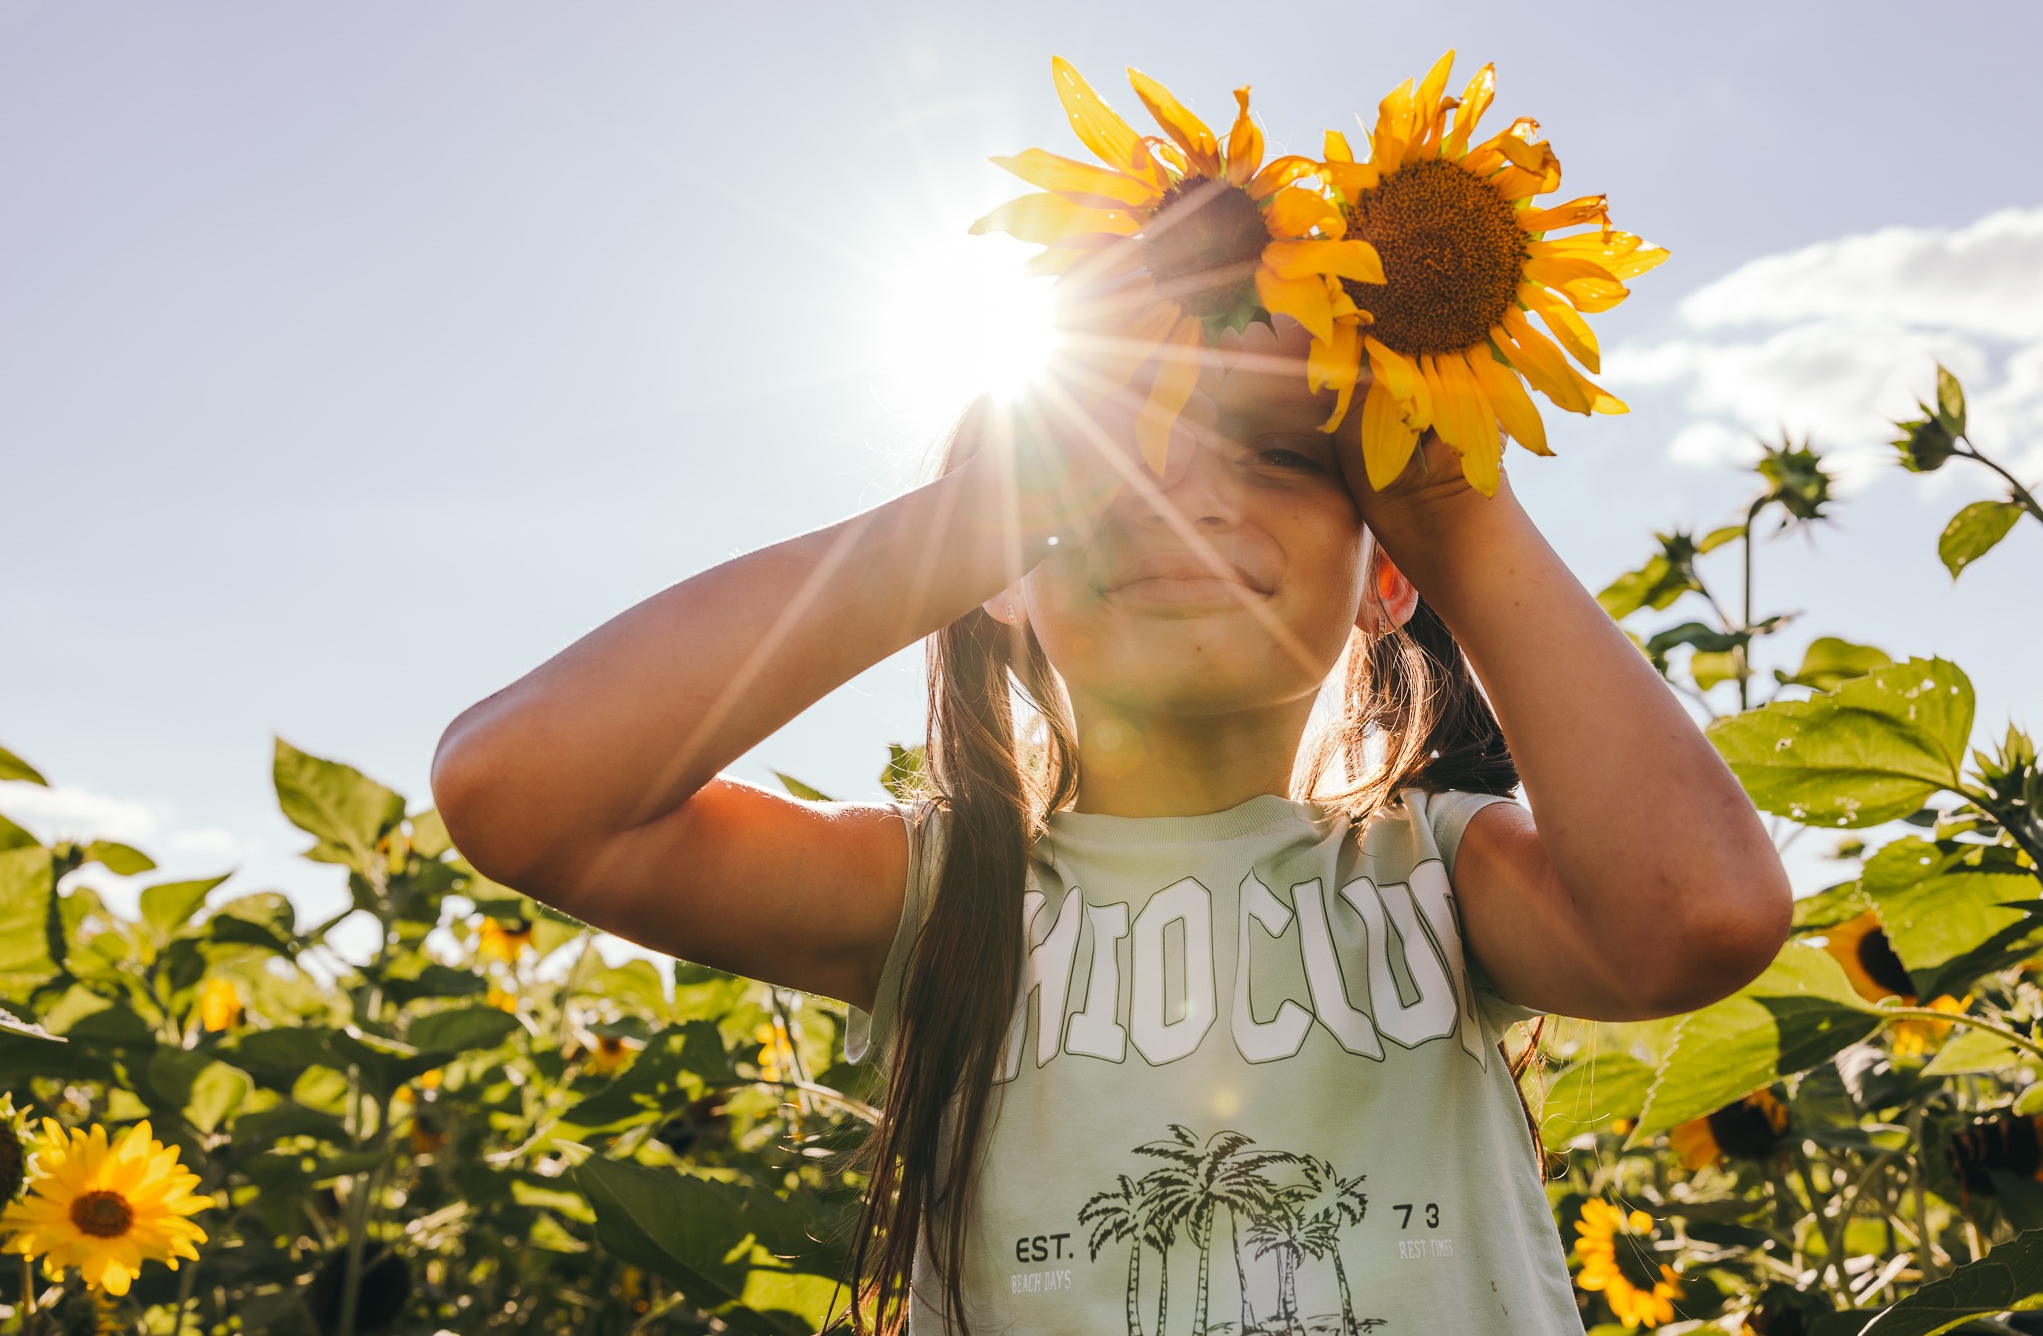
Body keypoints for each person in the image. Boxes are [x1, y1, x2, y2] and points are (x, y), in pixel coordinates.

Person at [430, 310, 1792, 1335]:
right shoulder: (938, 890)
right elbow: (518, 788)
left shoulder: (1435, 865)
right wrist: (966, 525)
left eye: (1278, 452)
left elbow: (1701, 916)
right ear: (1007, 571)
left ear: (1387, 580)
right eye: (1107, 455)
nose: (1185, 496)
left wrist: (1458, 509)